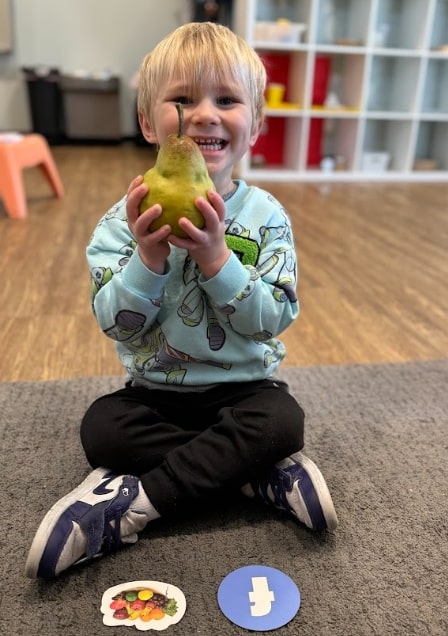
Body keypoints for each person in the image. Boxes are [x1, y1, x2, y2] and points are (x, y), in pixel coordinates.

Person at [25, 21, 338, 579]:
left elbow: (273, 320)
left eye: (226, 99)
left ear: (256, 125)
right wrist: (147, 259)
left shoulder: (266, 218)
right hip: (156, 395)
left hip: (246, 392)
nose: (204, 115)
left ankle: (134, 506)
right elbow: (117, 327)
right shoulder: (121, 224)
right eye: (182, 99)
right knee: (102, 428)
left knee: (282, 421)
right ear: (148, 123)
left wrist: (218, 259)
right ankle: (252, 474)